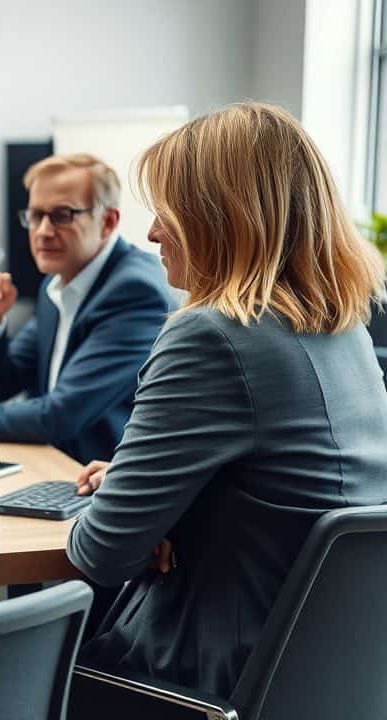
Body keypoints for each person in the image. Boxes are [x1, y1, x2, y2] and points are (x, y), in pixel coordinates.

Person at [68, 103, 387, 700]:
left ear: (222, 218)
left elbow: (101, 554)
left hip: (196, 685)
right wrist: (161, 498)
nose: (153, 233)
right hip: (332, 685)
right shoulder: (346, 329)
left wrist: (129, 510)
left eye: (168, 212)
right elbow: (288, 491)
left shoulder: (211, 334)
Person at [0, 153, 174, 463]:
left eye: (62, 215)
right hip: (56, 463)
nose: (43, 231)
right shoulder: (57, 281)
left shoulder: (134, 291)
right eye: (36, 215)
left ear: (108, 221)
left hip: (99, 480)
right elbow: (1, 383)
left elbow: (61, 415)